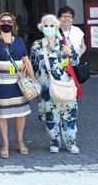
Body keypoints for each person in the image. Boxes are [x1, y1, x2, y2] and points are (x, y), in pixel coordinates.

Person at [0, 12, 36, 158]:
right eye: (3, 21)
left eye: (9, 21)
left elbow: (27, 62)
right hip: (0, 85)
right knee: (2, 115)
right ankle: (5, 143)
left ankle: (20, 140)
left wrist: (33, 81)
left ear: (13, 24)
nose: (6, 23)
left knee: (20, 113)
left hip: (19, 85)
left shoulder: (19, 41)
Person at [29, 14, 80, 154]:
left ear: (57, 27)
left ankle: (71, 143)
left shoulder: (65, 43)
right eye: (46, 25)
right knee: (50, 117)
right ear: (41, 27)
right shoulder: (36, 46)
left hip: (65, 86)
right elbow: (32, 66)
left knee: (69, 115)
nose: (49, 28)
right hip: (46, 88)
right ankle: (54, 143)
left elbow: (76, 62)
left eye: (52, 25)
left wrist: (69, 54)